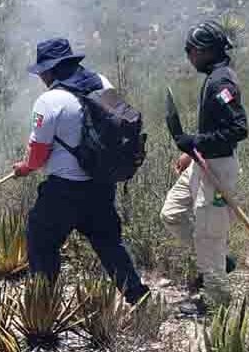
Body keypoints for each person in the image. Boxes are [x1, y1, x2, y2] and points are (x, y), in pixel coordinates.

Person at [12, 38, 150, 305]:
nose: (40, 76)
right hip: (101, 185)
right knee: (110, 243)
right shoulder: (101, 82)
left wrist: (24, 168)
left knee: (41, 240)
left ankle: (43, 306)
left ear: (50, 70)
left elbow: (38, 155)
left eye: (41, 70)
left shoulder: (50, 100)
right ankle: (137, 297)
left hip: (63, 191)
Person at [160, 20, 248, 315]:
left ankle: (216, 303)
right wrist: (193, 151)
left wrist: (196, 141)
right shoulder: (213, 77)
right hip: (201, 162)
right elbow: (217, 127)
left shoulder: (222, 83)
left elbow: (238, 129)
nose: (189, 56)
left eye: (191, 50)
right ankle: (221, 263)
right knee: (171, 214)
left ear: (207, 51)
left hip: (218, 168)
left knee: (209, 235)